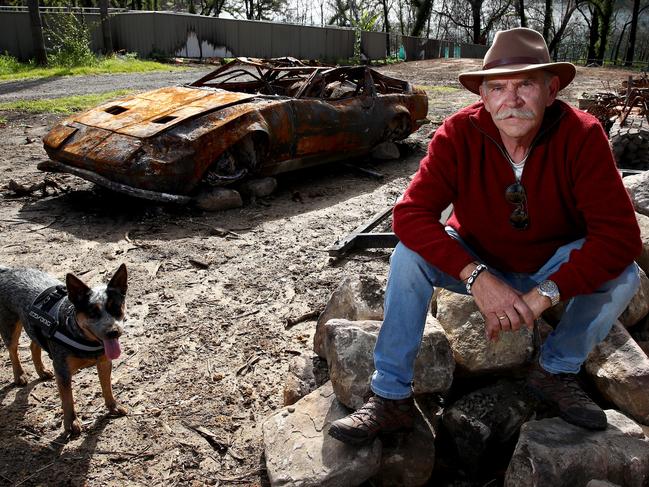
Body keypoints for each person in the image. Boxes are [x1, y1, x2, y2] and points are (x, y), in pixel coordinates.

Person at [328, 27, 642, 446]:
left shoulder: (582, 135)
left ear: (551, 91)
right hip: (480, 258)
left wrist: (545, 293)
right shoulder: (458, 134)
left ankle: (554, 370)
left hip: (551, 265)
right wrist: (477, 277)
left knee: (624, 275)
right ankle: (391, 397)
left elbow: (620, 236)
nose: (510, 100)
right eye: (498, 87)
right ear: (483, 95)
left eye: (525, 85)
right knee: (408, 256)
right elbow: (409, 215)